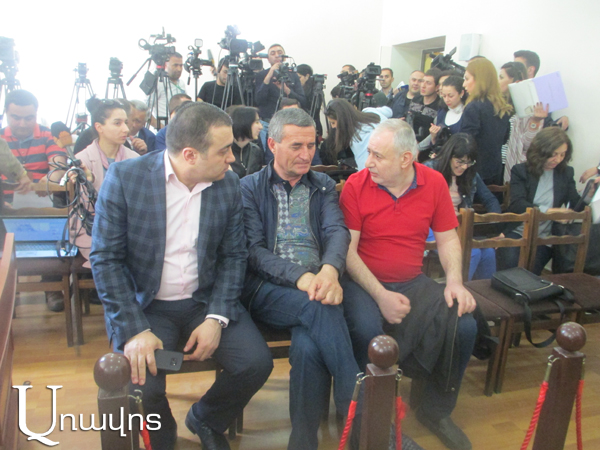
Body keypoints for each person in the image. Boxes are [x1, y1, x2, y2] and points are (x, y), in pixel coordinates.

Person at [89, 102, 273, 450]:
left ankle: (206, 418)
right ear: (190, 155)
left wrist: (216, 318)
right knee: (141, 387)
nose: (232, 158)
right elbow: (106, 259)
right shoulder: (126, 178)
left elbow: (234, 256)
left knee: (255, 363)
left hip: (203, 302)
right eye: (223, 150)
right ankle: (163, 437)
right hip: (147, 307)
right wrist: (134, 330)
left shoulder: (227, 184)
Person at [340, 119, 477, 450]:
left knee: (464, 324)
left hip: (412, 281)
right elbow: (347, 253)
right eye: (369, 153)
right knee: (368, 330)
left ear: (405, 159)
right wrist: (381, 295)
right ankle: (373, 425)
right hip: (364, 284)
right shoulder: (356, 185)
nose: (368, 162)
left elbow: (447, 239)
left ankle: (434, 410)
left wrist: (455, 282)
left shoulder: (433, 182)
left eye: (377, 155)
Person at [239, 108, 360, 450]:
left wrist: (329, 270)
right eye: (296, 146)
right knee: (321, 309)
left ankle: (303, 442)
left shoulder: (323, 185)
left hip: (318, 285)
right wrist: (303, 278)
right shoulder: (249, 188)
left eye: (311, 145)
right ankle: (364, 418)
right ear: (272, 144)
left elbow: (337, 231)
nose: (307, 154)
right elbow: (254, 252)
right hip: (267, 288)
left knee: (307, 347)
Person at [1, 89, 68, 312]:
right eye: (16, 117)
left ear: (36, 114)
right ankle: (7, 287)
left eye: (28, 118)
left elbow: (58, 166)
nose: (22, 123)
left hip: (43, 203)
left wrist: (48, 180)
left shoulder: (48, 136)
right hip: (6, 207)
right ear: (6, 113)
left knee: (59, 221)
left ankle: (52, 287)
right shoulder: (1, 139)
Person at [498, 127, 583, 275]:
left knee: (530, 273)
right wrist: (549, 211)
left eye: (562, 154)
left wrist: (590, 194)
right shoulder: (521, 171)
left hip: (544, 237)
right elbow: (518, 204)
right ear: (541, 151)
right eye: (554, 154)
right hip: (518, 231)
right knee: (510, 267)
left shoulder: (565, 173)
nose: (558, 159)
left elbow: (577, 206)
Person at [73, 98, 139, 267]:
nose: (126, 129)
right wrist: (90, 181)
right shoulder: (82, 159)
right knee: (110, 258)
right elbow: (87, 206)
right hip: (92, 230)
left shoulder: (135, 159)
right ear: (99, 127)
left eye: (126, 123)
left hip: (128, 230)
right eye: (117, 123)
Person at [426, 133, 501, 280]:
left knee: (488, 252)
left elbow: (490, 200)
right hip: (431, 226)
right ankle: (456, 291)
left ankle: (481, 292)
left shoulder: (470, 174)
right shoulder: (430, 169)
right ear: (449, 156)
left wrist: (494, 227)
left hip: (459, 227)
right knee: (472, 252)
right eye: (460, 162)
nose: (464, 167)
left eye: (469, 162)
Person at [462, 58, 512, 185]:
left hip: (475, 171)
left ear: (479, 80)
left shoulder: (474, 107)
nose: (464, 84)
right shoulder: (502, 107)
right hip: (495, 169)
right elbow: (505, 139)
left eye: (467, 79)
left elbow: (466, 143)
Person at [498, 62, 547, 182]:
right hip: (495, 163)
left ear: (516, 82)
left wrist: (535, 121)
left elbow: (528, 145)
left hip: (513, 166)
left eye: (501, 77)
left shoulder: (531, 108)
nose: (497, 82)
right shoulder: (498, 103)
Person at [255, 44, 307, 151]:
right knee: (268, 154)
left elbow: (303, 100)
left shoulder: (293, 75)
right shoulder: (262, 75)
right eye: (272, 53)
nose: (276, 55)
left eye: (280, 52)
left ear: (284, 56)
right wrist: (269, 75)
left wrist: (286, 89)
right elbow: (259, 100)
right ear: (268, 58)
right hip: (267, 123)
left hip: (290, 123)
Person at [323, 98, 392, 170]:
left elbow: (364, 169)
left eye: (333, 123)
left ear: (343, 121)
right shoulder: (368, 111)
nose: (333, 127)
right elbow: (389, 111)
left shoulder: (357, 139)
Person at [513, 50, 569, 131]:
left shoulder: (542, 93)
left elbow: (545, 124)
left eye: (518, 66)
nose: (513, 69)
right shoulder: (510, 89)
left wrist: (559, 121)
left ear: (530, 70)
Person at [420, 76, 467, 157]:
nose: (447, 100)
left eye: (451, 96)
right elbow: (436, 145)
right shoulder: (442, 111)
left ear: (461, 93)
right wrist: (434, 136)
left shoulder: (467, 113)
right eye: (444, 96)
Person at [147, 52, 187, 129]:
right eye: (175, 65)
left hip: (180, 130)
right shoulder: (158, 83)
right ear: (165, 65)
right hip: (163, 131)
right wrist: (163, 128)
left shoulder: (181, 83)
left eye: (181, 65)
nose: (179, 69)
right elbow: (145, 110)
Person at [406, 68, 442, 142]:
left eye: (428, 83)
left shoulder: (439, 106)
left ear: (437, 87)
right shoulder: (416, 99)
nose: (423, 85)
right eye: (422, 81)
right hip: (408, 140)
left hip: (425, 145)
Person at [229, 106, 264, 178]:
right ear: (244, 123)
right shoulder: (224, 150)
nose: (261, 127)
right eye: (257, 122)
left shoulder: (256, 151)